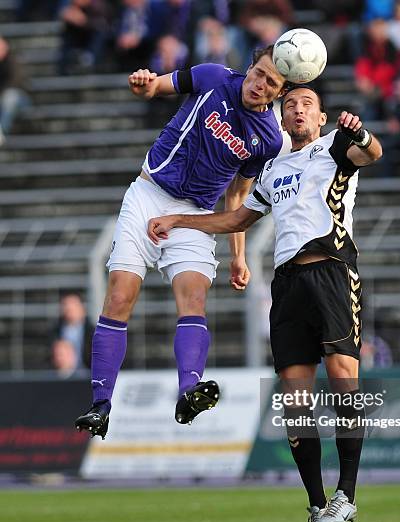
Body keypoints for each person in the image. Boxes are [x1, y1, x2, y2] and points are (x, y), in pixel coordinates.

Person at [147, 85, 382, 522]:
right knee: (295, 400)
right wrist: (179, 221)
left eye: (306, 105)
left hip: (333, 274)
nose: (297, 110)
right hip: (288, 285)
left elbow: (372, 153)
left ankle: (347, 495)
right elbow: (237, 219)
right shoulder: (273, 168)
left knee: (342, 378)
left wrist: (362, 131)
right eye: (290, 105)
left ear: (320, 118)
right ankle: (318, 507)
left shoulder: (334, 145)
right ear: (282, 116)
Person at [74, 46, 287, 440]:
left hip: (194, 216)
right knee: (120, 295)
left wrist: (239, 257)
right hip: (148, 193)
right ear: (250, 67)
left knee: (193, 298)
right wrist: (143, 83)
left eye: (271, 83)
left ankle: (189, 390)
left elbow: (237, 197)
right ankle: (100, 404)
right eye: (258, 73)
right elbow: (155, 87)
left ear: (279, 92)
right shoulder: (213, 78)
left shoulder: (269, 140)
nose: (260, 84)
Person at [53, 293, 94, 370]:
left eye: (73, 306)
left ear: (81, 308)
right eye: (66, 306)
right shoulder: (55, 331)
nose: (69, 309)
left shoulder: (93, 331)